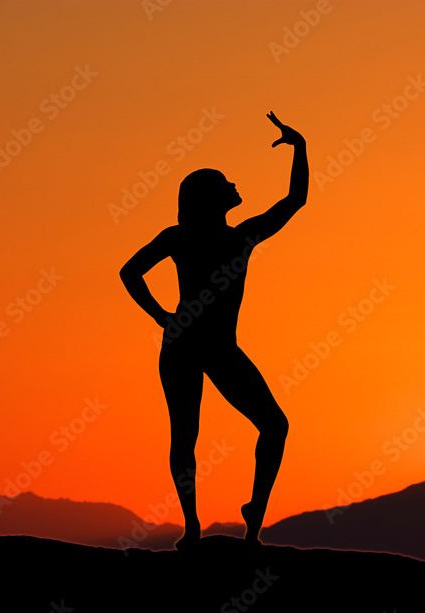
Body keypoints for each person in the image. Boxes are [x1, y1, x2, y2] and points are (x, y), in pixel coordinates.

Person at [120, 112, 307, 549]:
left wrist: (299, 147)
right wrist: (160, 315)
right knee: (187, 434)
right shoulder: (197, 237)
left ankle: (249, 523)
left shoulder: (232, 236)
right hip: (188, 346)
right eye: (225, 183)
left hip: (210, 346)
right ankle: (194, 528)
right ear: (209, 198)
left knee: (271, 426)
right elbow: (130, 272)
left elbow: (294, 199)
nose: (234, 185)